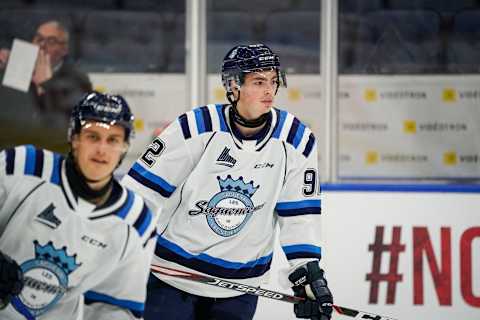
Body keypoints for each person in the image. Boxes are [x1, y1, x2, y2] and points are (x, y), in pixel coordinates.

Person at [121, 43, 334, 320]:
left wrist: (307, 275)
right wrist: (118, 247)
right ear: (234, 86)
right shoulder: (194, 128)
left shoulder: (297, 141)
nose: (269, 91)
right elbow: (141, 193)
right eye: (258, 82)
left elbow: (299, 215)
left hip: (240, 287)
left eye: (273, 81)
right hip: (173, 279)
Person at [0, 92, 156, 319]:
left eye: (113, 140)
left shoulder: (136, 221)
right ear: (74, 138)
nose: (102, 150)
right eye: (93, 136)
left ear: (124, 146)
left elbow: (115, 308)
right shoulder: (22, 166)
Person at [0, 20, 92, 153]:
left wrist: (48, 84)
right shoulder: (15, 67)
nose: (42, 45)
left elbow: (74, 124)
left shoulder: (76, 78)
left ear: (64, 50)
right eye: (38, 39)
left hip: (52, 153)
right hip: (10, 150)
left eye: (51, 41)